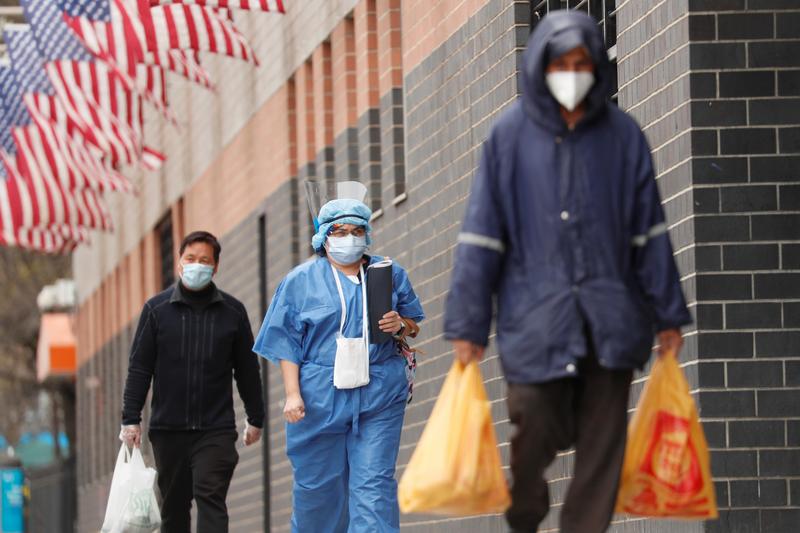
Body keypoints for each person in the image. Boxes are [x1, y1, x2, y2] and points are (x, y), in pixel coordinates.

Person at [443, 11, 692, 533]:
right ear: (540, 67)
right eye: (562, 63)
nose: (573, 73)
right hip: (536, 319)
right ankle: (526, 507)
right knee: (534, 420)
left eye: (582, 63)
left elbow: (649, 232)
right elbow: (481, 239)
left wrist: (667, 314)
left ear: (597, 68)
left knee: (602, 449)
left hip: (612, 315)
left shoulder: (623, 136)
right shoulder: (507, 138)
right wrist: (467, 327)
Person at [253, 198, 424, 533]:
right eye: (340, 231)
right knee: (319, 492)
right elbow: (286, 341)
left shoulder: (387, 273)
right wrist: (292, 394)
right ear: (324, 237)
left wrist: (399, 325)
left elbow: (413, 322)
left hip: (379, 391)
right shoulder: (300, 281)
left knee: (373, 486)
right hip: (319, 396)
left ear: (367, 233)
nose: (349, 237)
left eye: (356, 230)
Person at [119, 231, 265, 533]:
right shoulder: (156, 311)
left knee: (211, 497)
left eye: (204, 260)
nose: (196, 265)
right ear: (179, 263)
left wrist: (256, 418)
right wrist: (130, 419)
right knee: (174, 508)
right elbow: (139, 368)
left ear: (215, 267)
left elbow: (247, 369)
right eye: (190, 259)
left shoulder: (232, 312)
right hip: (168, 431)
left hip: (216, 430)